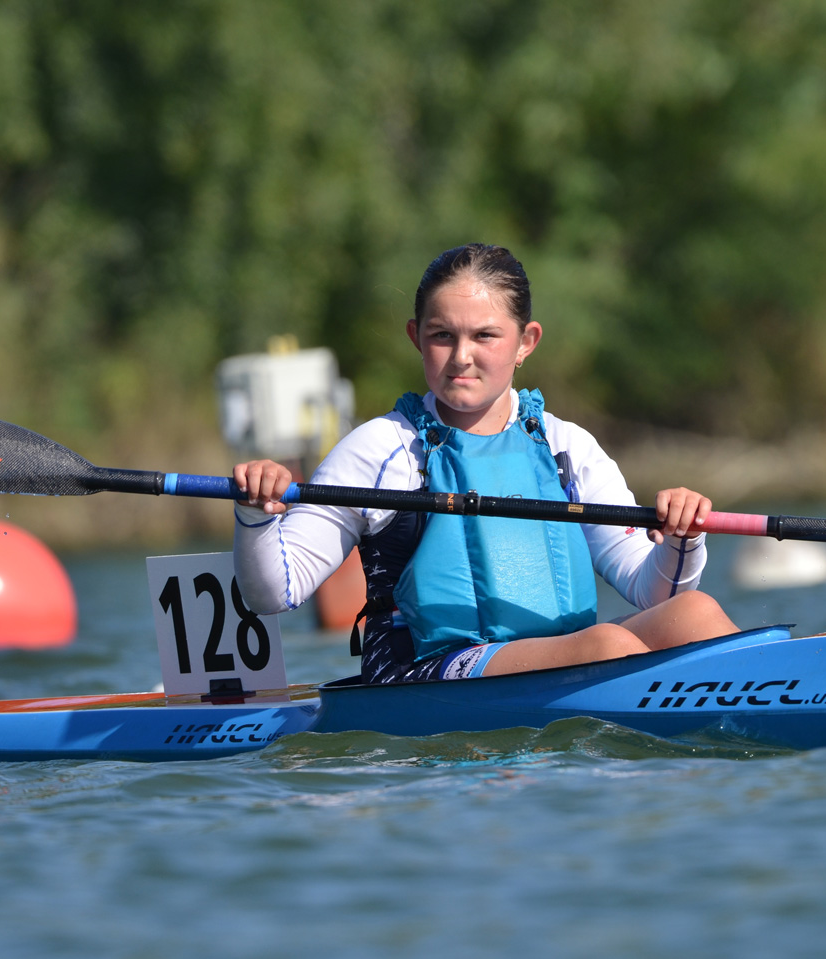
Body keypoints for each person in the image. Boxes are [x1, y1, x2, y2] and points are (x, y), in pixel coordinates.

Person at [233, 243, 739, 683]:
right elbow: (274, 592)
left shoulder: (567, 446)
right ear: (415, 337)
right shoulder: (381, 449)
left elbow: (654, 592)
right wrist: (256, 513)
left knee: (695, 613)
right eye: (442, 336)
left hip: (574, 658)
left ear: (526, 342)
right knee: (606, 646)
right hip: (423, 669)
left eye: (484, 336)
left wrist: (681, 539)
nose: (461, 357)